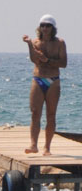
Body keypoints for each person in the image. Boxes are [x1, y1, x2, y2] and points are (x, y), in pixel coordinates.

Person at [23, 14, 67, 155]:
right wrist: (29, 44)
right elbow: (34, 60)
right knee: (35, 113)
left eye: (48, 25)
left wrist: (47, 60)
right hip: (38, 79)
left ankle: (47, 147)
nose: (45, 28)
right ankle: (33, 145)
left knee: (51, 114)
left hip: (53, 80)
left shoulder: (59, 43)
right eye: (42, 25)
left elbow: (63, 63)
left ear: (53, 28)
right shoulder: (36, 42)